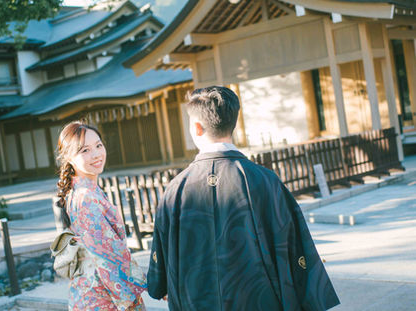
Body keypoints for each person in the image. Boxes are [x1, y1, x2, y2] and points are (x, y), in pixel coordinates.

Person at [147, 86, 340, 310]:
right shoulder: (265, 180)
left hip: (196, 301)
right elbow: (293, 242)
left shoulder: (176, 189)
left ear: (197, 128)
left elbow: (161, 257)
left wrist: (161, 284)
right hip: (259, 299)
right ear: (233, 124)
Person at [56, 121, 147, 311]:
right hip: (103, 298)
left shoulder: (82, 191)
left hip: (90, 293)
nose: (96, 154)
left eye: (98, 145)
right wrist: (150, 286)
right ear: (69, 158)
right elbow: (110, 257)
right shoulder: (86, 197)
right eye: (85, 150)